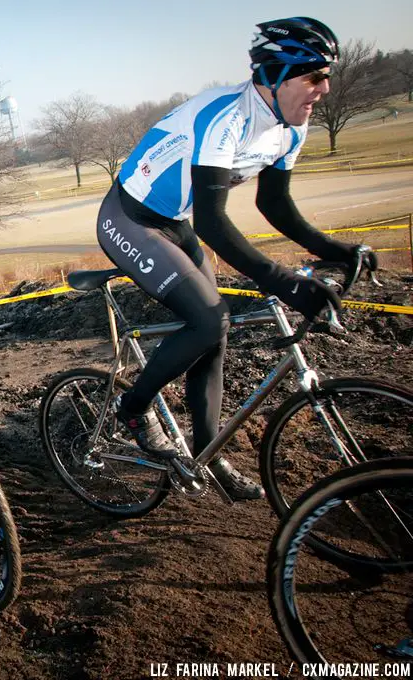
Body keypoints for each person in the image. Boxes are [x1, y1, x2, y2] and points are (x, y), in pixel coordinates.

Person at [94, 17, 377, 501]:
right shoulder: (225, 118)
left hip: (175, 221)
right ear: (273, 76)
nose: (324, 89)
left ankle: (209, 453)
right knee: (208, 319)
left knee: (216, 334)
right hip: (130, 217)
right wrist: (289, 283)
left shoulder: (291, 126)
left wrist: (336, 251)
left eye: (326, 76)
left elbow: (276, 206)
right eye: (312, 76)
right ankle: (133, 408)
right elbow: (213, 222)